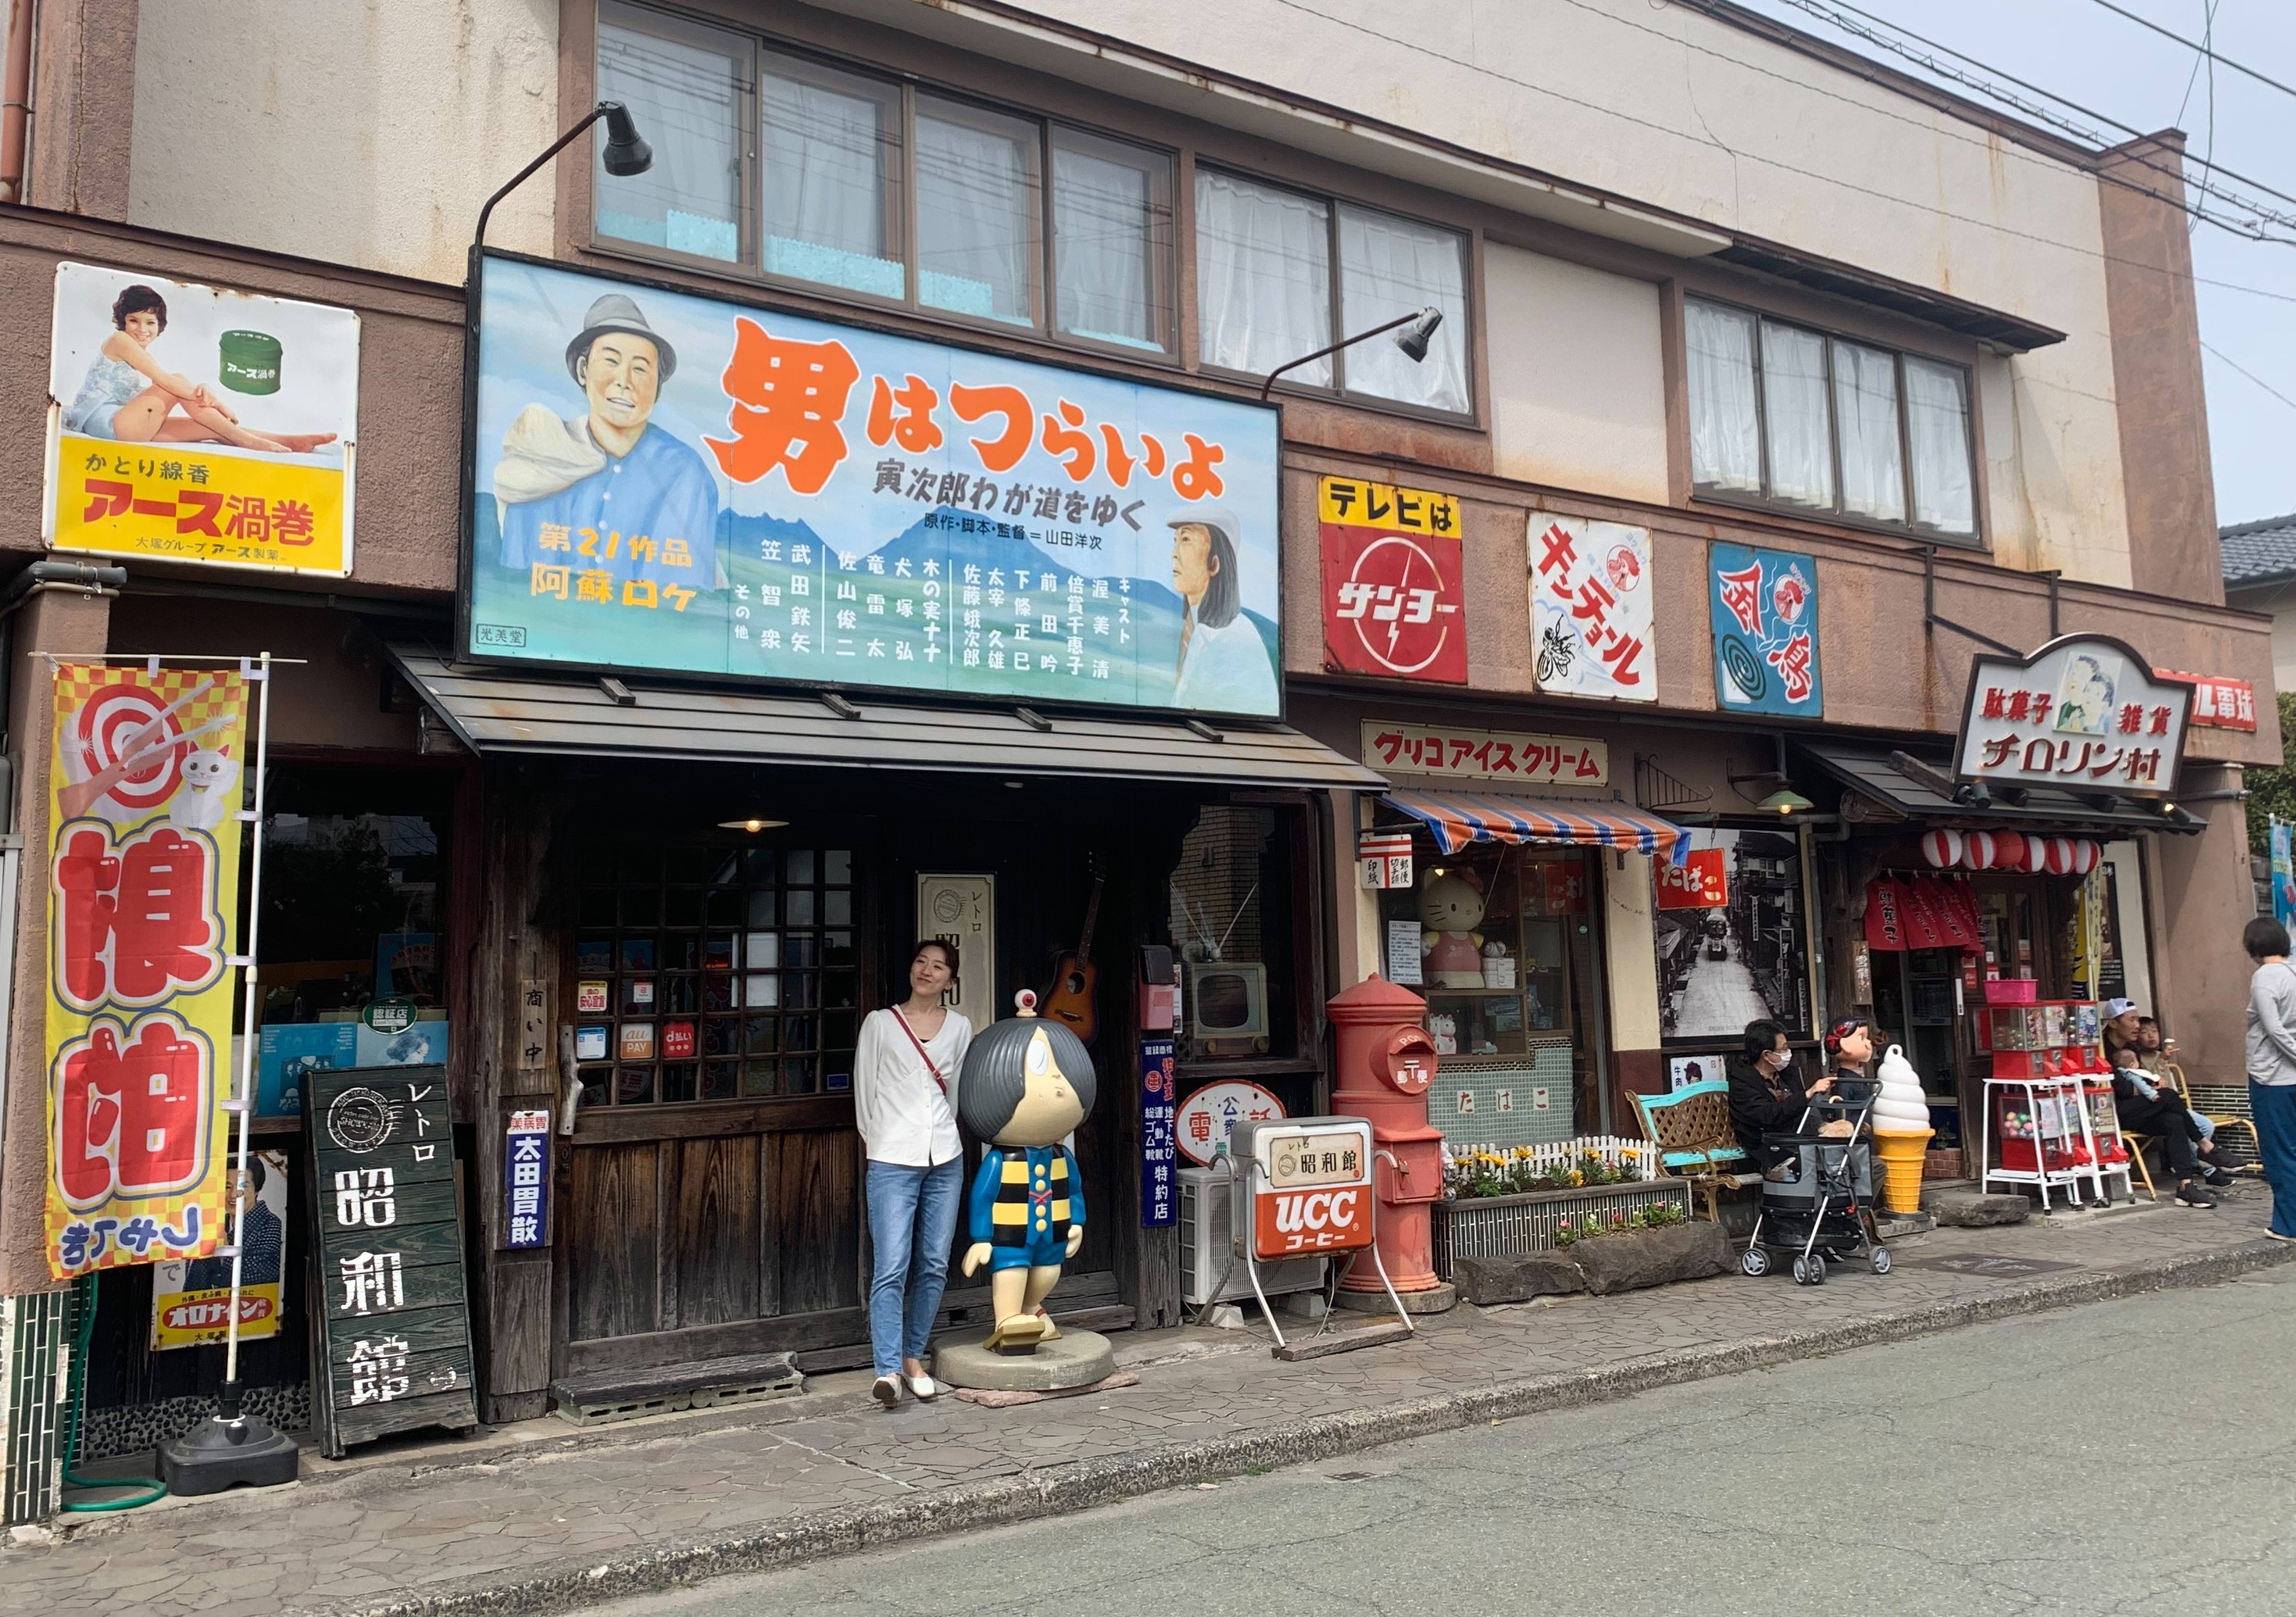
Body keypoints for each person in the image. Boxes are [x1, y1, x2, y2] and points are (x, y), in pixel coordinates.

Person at [494, 292, 718, 587]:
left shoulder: (685, 473)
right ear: (583, 370)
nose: (624, 381)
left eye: (640, 368)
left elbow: (678, 595)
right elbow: (515, 586)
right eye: (611, 361)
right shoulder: (540, 457)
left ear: (658, 386)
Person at [853, 939, 974, 1407]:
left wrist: (943, 1133)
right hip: (891, 1158)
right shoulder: (881, 1023)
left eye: (938, 966)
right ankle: (886, 1369)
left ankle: (912, 1358)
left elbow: (956, 1092)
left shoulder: (960, 1027)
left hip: (945, 1157)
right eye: (921, 961)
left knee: (934, 1263)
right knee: (892, 1265)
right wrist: (881, 1141)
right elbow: (865, 1091)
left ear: (950, 980)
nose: (927, 970)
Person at [65, 284, 336, 454]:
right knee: (176, 380)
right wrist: (216, 401)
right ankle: (248, 441)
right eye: (134, 321)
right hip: (109, 425)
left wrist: (201, 393)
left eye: (150, 322)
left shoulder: (138, 353)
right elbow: (165, 382)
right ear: (123, 322)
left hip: (127, 424)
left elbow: (161, 390)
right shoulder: (119, 340)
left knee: (211, 427)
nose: (142, 329)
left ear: (159, 326)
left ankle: (291, 442)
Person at [2105, 995, 2216, 1207]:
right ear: (2113, 1023)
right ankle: (2205, 1145)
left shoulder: (2132, 1048)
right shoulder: (2102, 1049)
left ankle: (2185, 1185)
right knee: (2169, 1096)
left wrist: (2145, 1087)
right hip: (2114, 1112)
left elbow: (2143, 1080)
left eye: (2138, 1019)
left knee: (2174, 1120)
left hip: (2140, 1108)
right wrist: (2144, 1088)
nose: (2137, 1026)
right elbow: (2123, 1088)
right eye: (2131, 1020)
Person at [1167, 508, 1278, 713]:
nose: (1174, 554)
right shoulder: (1193, 629)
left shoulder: (1234, 638)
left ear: (1214, 564)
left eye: (1186, 540)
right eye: (1175, 540)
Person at [2242, 916, 2296, 1242]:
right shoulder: (2293, 972)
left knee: (2279, 1151)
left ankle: (2288, 1224)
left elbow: (2273, 1028)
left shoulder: (2264, 976)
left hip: (2272, 1076)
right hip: (2290, 1078)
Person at [1727, 1019, 1833, 1172]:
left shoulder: (1787, 1074)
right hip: (1771, 1148)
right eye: (1783, 1049)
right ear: (1767, 1055)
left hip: (1801, 1139)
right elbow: (1769, 1115)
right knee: (1833, 1163)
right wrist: (1807, 1094)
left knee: (1848, 1152)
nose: (1788, 1053)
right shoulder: (1742, 1083)